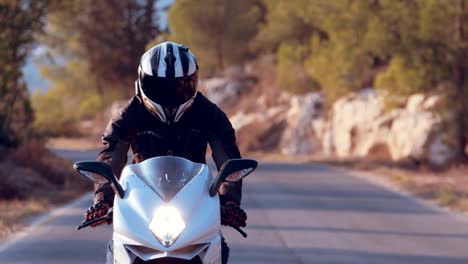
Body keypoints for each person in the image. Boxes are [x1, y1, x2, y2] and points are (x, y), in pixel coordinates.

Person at [84, 41, 247, 264]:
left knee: (215, 243)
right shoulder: (129, 114)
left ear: (194, 82)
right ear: (142, 82)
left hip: (194, 197)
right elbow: (111, 156)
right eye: (159, 88)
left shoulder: (209, 113)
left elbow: (227, 157)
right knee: (121, 243)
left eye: (180, 86)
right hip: (142, 198)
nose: (171, 95)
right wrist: (103, 200)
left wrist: (229, 203)